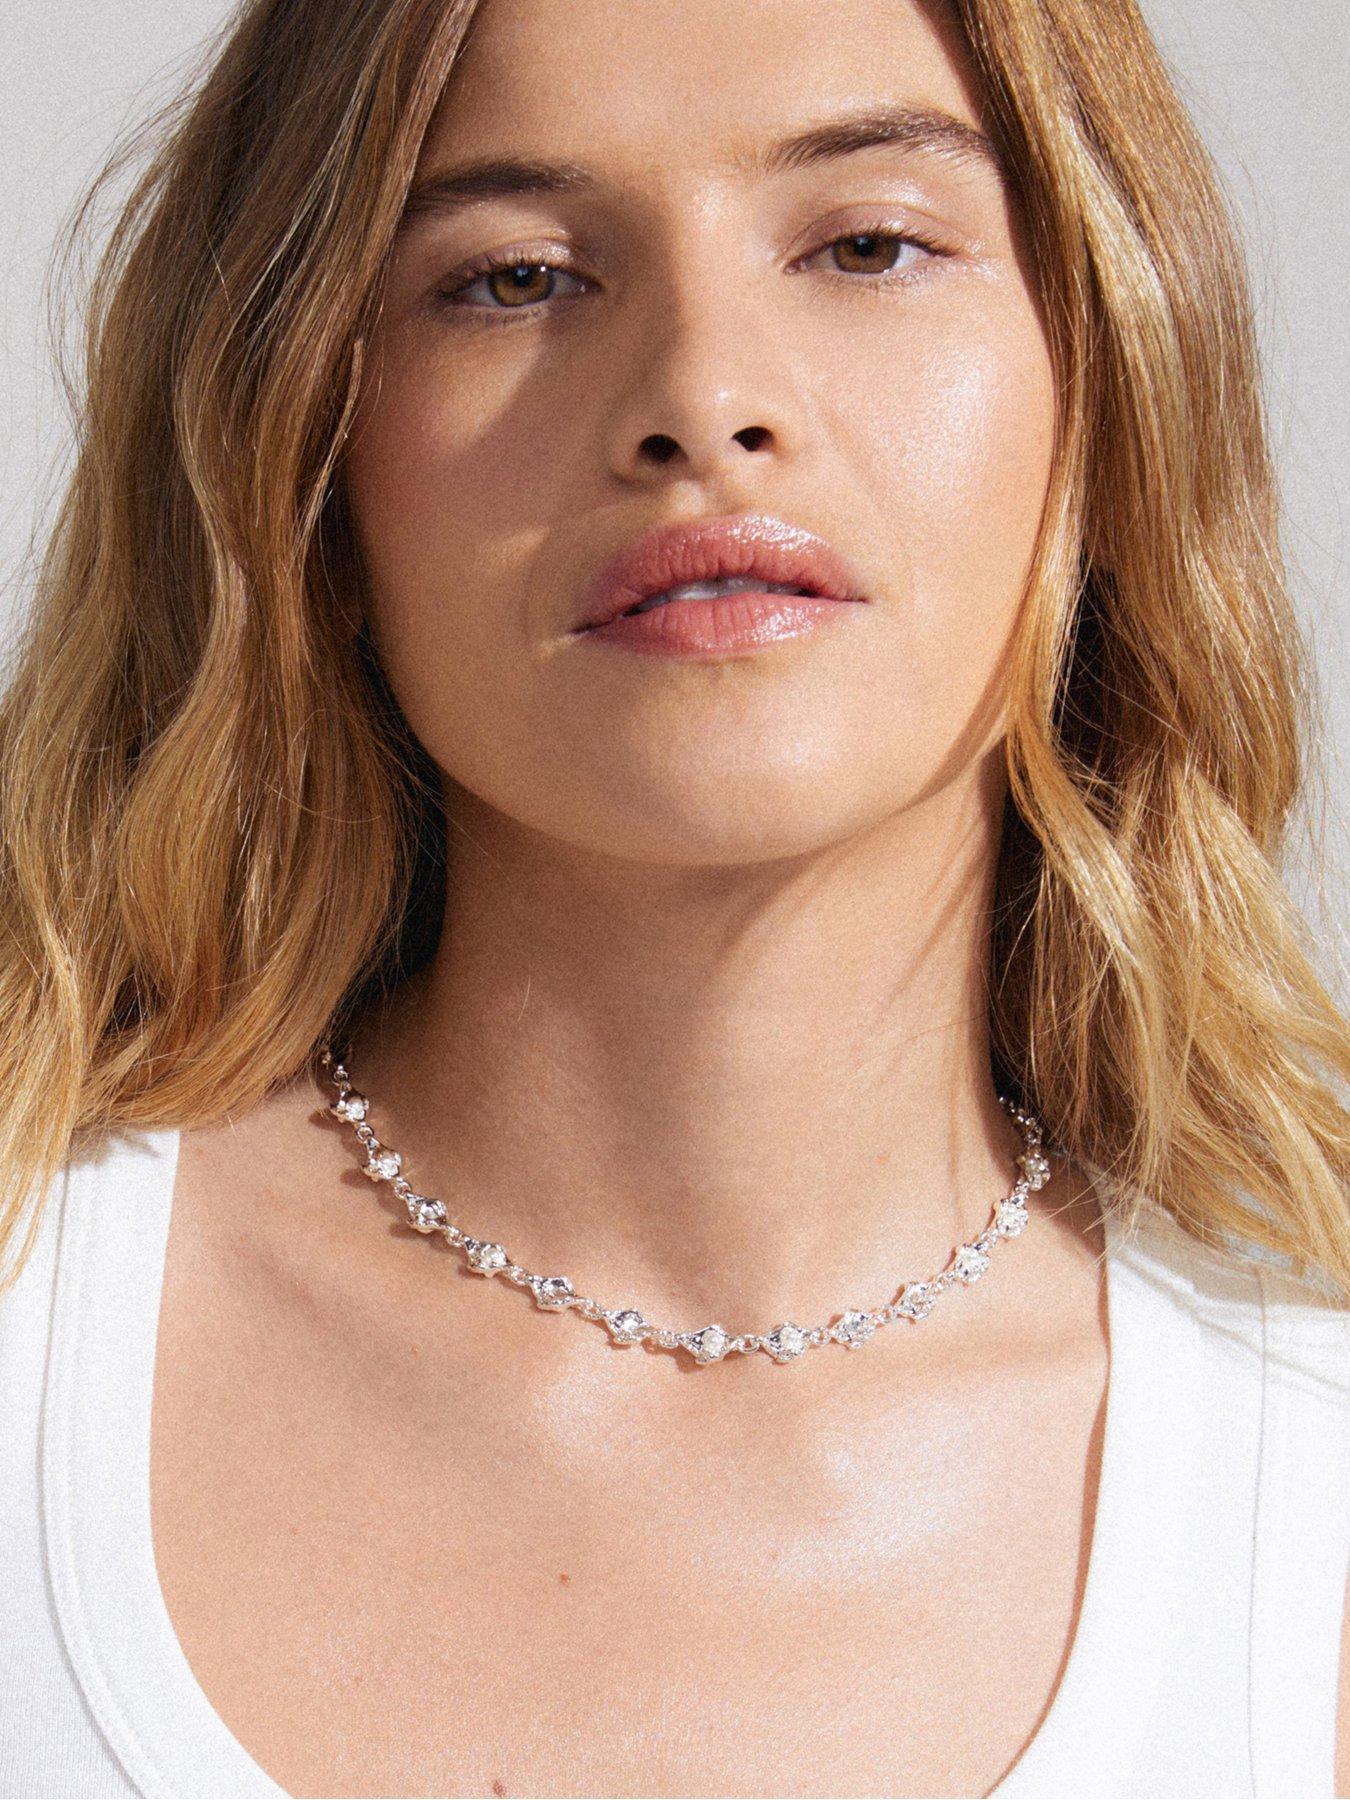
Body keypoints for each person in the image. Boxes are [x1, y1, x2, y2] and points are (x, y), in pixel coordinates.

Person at [1, 0, 1347, 1794]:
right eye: (514, 278)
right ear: (298, 447)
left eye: (868, 245)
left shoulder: (1310, 1488)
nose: (703, 398)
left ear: (1111, 377)